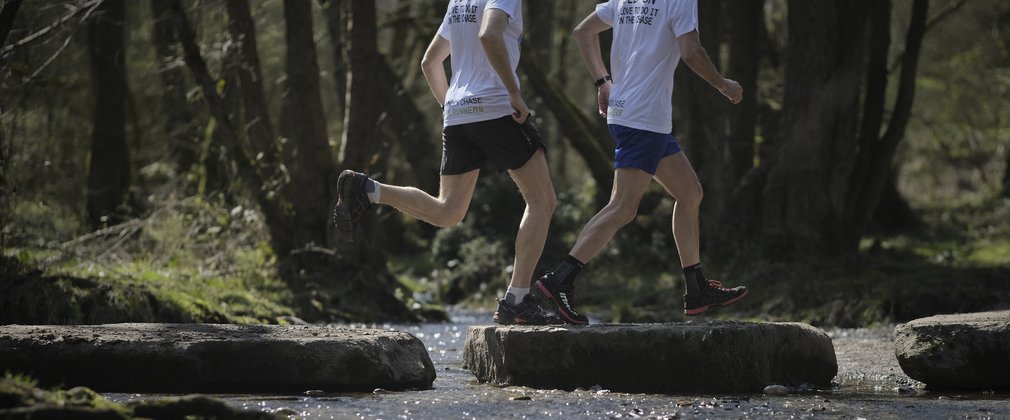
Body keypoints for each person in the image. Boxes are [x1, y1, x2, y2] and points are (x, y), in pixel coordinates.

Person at [332, 0, 561, 325]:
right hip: (496, 107)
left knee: (448, 211)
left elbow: (430, 62)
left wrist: (453, 107)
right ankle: (517, 299)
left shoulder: (459, 2)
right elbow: (489, 35)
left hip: (457, 112)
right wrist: (514, 93)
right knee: (543, 200)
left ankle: (368, 189)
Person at [535, 0, 747, 325]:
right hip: (642, 118)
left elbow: (583, 32)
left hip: (641, 117)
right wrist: (724, 85)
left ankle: (696, 289)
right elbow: (691, 52)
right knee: (623, 206)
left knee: (690, 193)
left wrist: (602, 82)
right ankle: (559, 278)